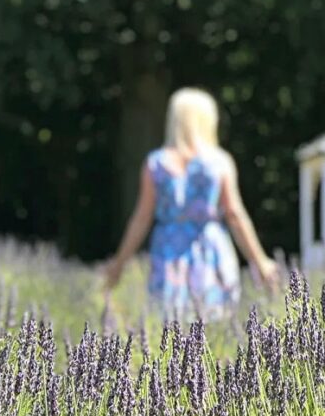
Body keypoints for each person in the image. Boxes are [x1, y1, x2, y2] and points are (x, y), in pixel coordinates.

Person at [104, 87, 279, 320]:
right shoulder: (219, 162)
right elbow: (235, 215)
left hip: (167, 253)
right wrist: (260, 262)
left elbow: (141, 218)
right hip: (211, 251)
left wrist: (119, 263)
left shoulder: (155, 164)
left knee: (169, 327)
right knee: (214, 327)